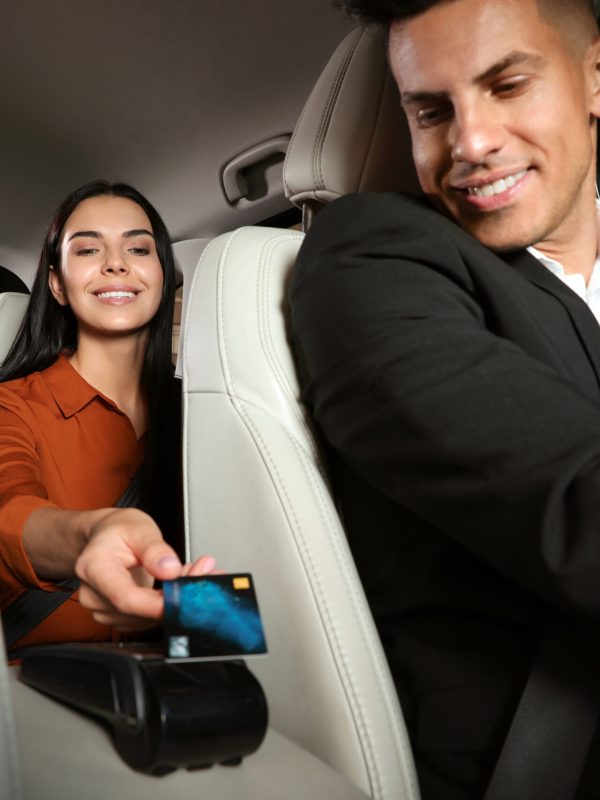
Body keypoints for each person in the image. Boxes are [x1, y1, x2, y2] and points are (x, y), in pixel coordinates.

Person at [289, 0, 600, 797]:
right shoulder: (371, 255)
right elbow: (578, 502)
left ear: (595, 77)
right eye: (431, 110)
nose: (471, 141)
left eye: (507, 86)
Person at [0, 180, 215, 652]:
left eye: (138, 248)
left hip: (180, 683)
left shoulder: (212, 413)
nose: (116, 263)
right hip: (36, 691)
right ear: (57, 283)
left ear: (163, 275)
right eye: (88, 249)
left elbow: (236, 593)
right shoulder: (11, 406)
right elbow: (7, 512)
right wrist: (92, 535)